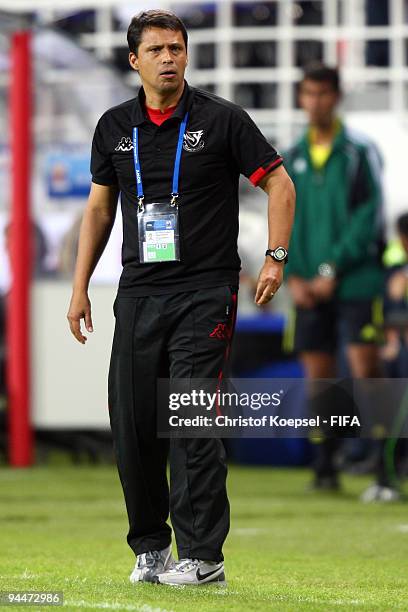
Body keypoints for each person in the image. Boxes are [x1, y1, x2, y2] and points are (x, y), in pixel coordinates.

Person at [67, 9, 295, 586]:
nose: (169, 57)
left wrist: (275, 256)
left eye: (177, 48)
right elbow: (98, 209)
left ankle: (203, 557)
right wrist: (78, 288)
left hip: (205, 289)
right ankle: (150, 547)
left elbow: (279, 183)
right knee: (134, 420)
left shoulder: (221, 120)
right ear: (134, 60)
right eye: (157, 50)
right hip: (139, 290)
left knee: (192, 416)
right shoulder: (113, 127)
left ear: (187, 55)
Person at [284, 64, 385, 491]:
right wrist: (291, 273)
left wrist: (330, 269)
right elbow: (283, 219)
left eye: (324, 94)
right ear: (301, 99)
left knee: (365, 370)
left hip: (357, 280)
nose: (316, 102)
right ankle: (325, 467)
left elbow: (368, 217)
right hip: (307, 284)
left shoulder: (359, 152)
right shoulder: (291, 157)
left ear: (337, 97)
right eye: (309, 93)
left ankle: (385, 468)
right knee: (319, 375)